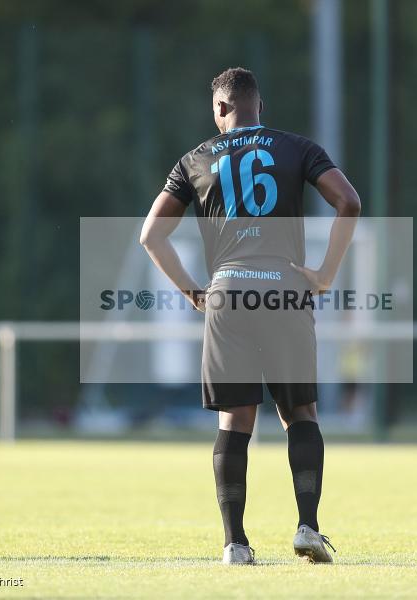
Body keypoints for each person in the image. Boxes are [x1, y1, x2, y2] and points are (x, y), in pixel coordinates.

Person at [140, 67, 360, 564]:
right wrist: (324, 273)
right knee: (299, 413)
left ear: (220, 108)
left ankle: (234, 545)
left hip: (227, 292)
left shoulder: (193, 159)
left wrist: (196, 293)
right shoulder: (296, 147)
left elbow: (151, 236)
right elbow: (348, 201)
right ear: (259, 106)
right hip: (284, 288)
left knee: (234, 420)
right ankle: (307, 528)